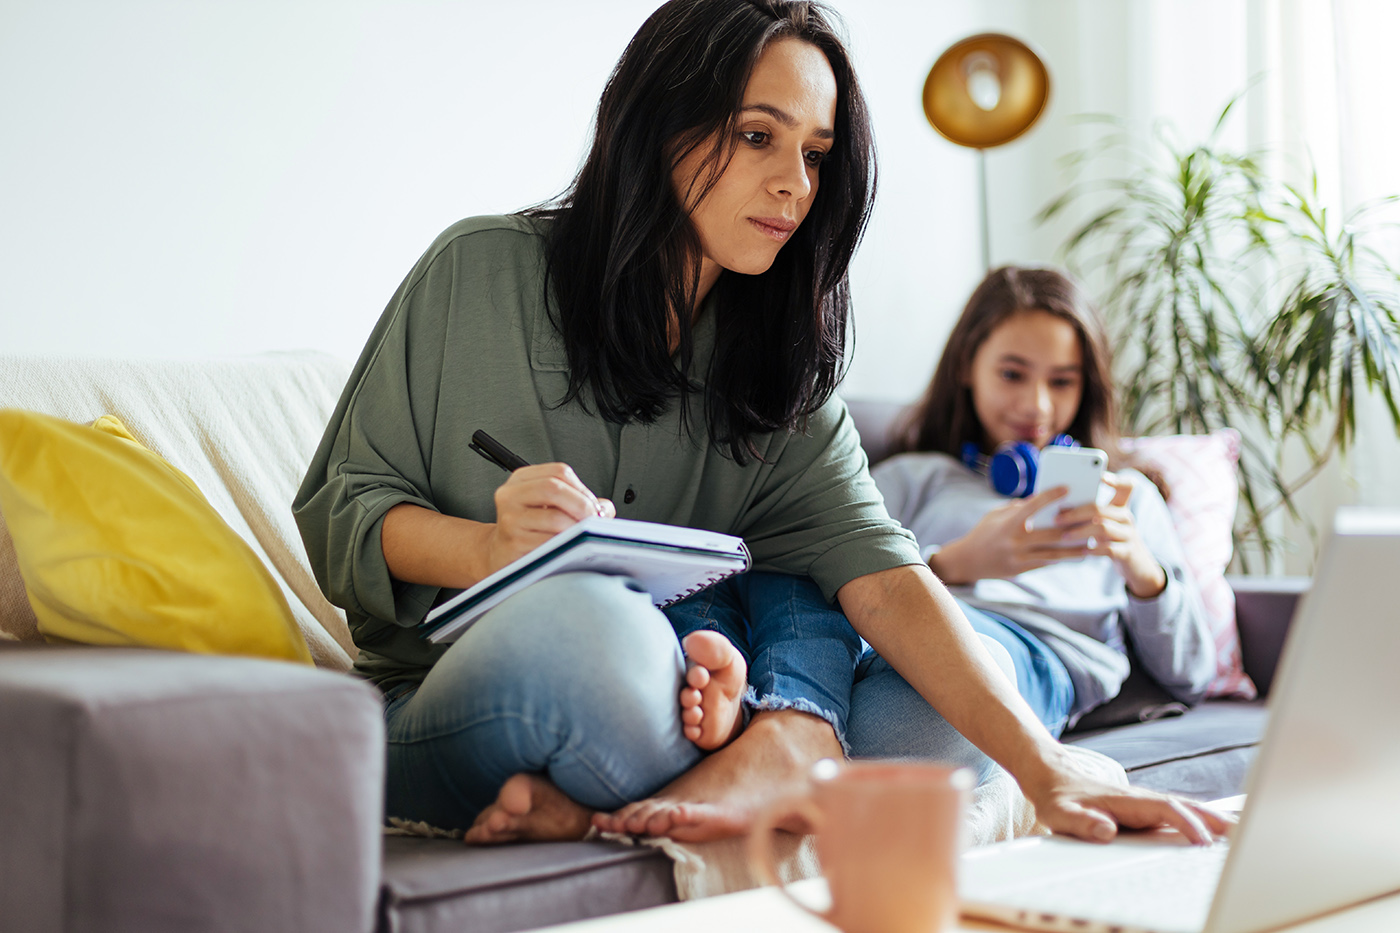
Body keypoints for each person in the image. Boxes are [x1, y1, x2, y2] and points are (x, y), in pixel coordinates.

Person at [294, 0, 1230, 848]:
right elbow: (340, 513)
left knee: (944, 705)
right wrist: (492, 549)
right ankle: (758, 750)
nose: (795, 184)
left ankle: (718, 766)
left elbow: (878, 567)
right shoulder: (479, 272)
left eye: (816, 154)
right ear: (660, 125)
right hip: (462, 685)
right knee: (596, 631)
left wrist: (1043, 762)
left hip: (686, 693)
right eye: (756, 136)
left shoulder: (781, 365)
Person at [872, 266, 1217, 737]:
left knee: (959, 672)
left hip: (1029, 658)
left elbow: (1192, 676)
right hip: (897, 635)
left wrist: (1144, 575)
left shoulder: (1126, 497)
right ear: (966, 366)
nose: (1036, 405)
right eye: (1013, 374)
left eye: (1061, 382)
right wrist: (951, 565)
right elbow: (836, 588)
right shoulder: (912, 478)